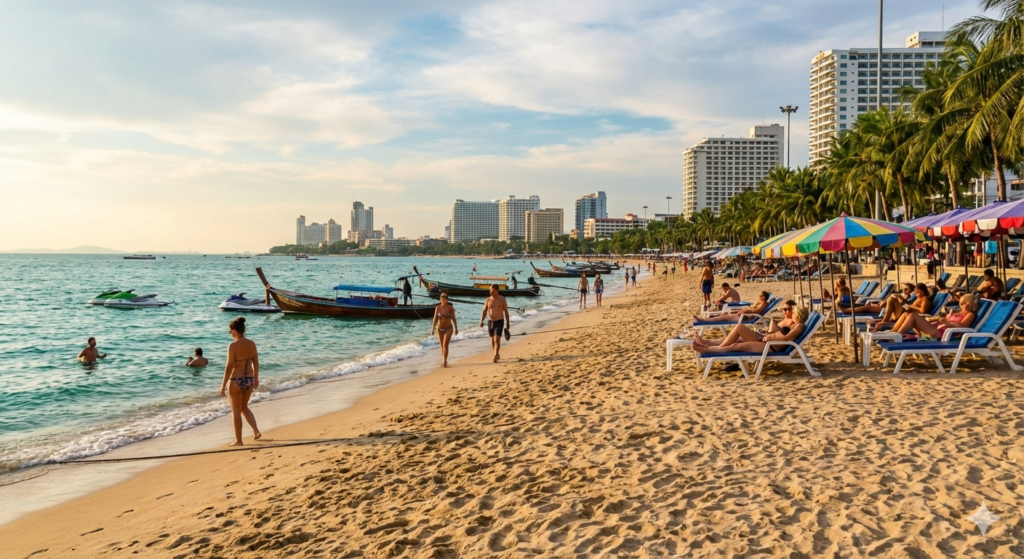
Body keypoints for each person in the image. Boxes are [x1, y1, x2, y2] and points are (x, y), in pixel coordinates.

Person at [693, 305, 810, 355]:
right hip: (767, 341)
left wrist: (769, 337)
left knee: (736, 346)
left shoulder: (800, 326)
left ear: (798, 315)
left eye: (794, 313)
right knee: (739, 333)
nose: (792, 314)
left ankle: (710, 350)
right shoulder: (795, 324)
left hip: (771, 347)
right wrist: (768, 333)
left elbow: (786, 338)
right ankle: (709, 344)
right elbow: (781, 334)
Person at [219, 317, 261, 446]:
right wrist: (256, 379)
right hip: (249, 380)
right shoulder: (251, 344)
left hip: (236, 380)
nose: (230, 334)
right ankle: (256, 431)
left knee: (236, 411)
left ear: (235, 331)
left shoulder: (233, 346)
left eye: (230, 331)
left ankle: (239, 440)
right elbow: (256, 363)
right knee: (244, 407)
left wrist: (223, 385)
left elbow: (229, 366)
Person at [892, 294, 979, 339]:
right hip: (934, 327)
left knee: (912, 316)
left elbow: (963, 326)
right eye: (962, 301)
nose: (963, 303)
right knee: (906, 314)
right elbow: (943, 320)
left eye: (966, 301)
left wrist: (949, 323)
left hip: (940, 332)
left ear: (972, 304)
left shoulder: (970, 314)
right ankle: (893, 332)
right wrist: (933, 319)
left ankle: (897, 337)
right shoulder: (956, 312)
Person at [694, 291, 771, 322]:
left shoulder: (763, 303)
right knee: (725, 314)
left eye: (759, 296)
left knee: (723, 317)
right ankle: (712, 317)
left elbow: (756, 311)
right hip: (745, 314)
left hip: (745, 317)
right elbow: (754, 309)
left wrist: (746, 310)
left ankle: (703, 320)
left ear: (763, 297)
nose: (758, 297)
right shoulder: (761, 302)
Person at [480, 285, 510, 363]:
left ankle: (495, 354)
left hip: (499, 321)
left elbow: (506, 312)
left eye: (492, 290)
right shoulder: (488, 300)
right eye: (490, 290)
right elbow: (484, 311)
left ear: (496, 290)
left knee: (497, 339)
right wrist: (481, 321)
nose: (490, 292)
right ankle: (496, 354)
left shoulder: (502, 299)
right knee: (492, 340)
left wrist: (508, 323)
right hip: (490, 322)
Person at [430, 293, 458, 368]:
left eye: (445, 297)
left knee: (445, 345)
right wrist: (432, 329)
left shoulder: (450, 308)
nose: (443, 298)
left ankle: (445, 361)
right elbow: (435, 319)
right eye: (442, 297)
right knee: (442, 345)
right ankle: (443, 359)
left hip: (449, 328)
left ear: (447, 299)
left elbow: (454, 318)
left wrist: (456, 328)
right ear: (440, 298)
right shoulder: (438, 308)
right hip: (440, 329)